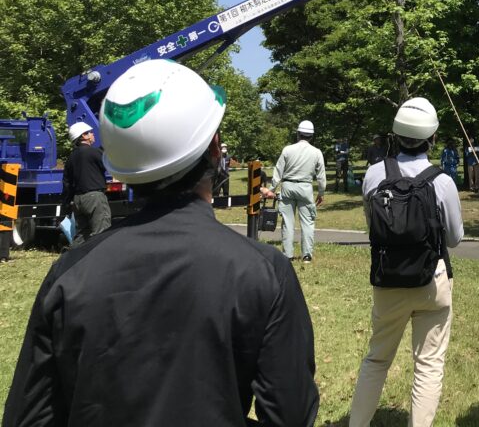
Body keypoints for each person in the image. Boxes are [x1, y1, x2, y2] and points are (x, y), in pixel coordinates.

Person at [2, 59, 319, 426]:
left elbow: (28, 416)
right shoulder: (264, 272)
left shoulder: (70, 272)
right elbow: (290, 413)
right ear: (215, 148)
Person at [349, 98, 464, 427]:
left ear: (395, 135)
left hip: (388, 280)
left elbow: (373, 226)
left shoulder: (373, 175)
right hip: (432, 281)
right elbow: (454, 238)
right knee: (428, 363)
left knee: (377, 358)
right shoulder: (441, 181)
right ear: (431, 139)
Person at [265, 120, 326, 263]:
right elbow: (321, 176)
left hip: (287, 187)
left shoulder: (287, 149)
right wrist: (321, 193)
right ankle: (307, 255)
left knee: (287, 222)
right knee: (308, 222)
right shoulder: (317, 152)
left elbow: (278, 171)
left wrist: (271, 189)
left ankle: (288, 254)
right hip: (305, 188)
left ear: (298, 133)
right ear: (312, 136)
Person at [61, 121, 112, 245]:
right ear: (83, 136)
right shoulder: (92, 152)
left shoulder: (71, 157)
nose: (93, 135)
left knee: (82, 235)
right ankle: (98, 262)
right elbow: (109, 163)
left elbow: (67, 182)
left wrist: (67, 203)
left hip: (78, 200)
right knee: (101, 233)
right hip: (94, 198)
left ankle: (71, 260)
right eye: (90, 133)